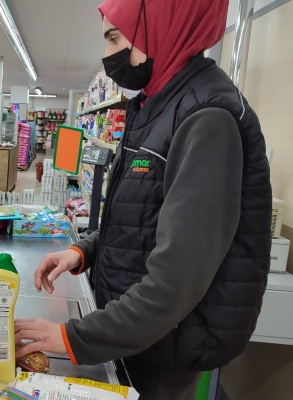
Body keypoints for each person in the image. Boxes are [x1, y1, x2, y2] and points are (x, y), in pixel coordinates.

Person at [14, 0, 272, 399]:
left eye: (114, 37)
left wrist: (70, 338)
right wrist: (82, 252)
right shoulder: (156, 104)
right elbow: (142, 221)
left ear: (165, 26)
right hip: (139, 335)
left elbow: (176, 280)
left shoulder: (207, 118)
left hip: (169, 344)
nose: (108, 54)